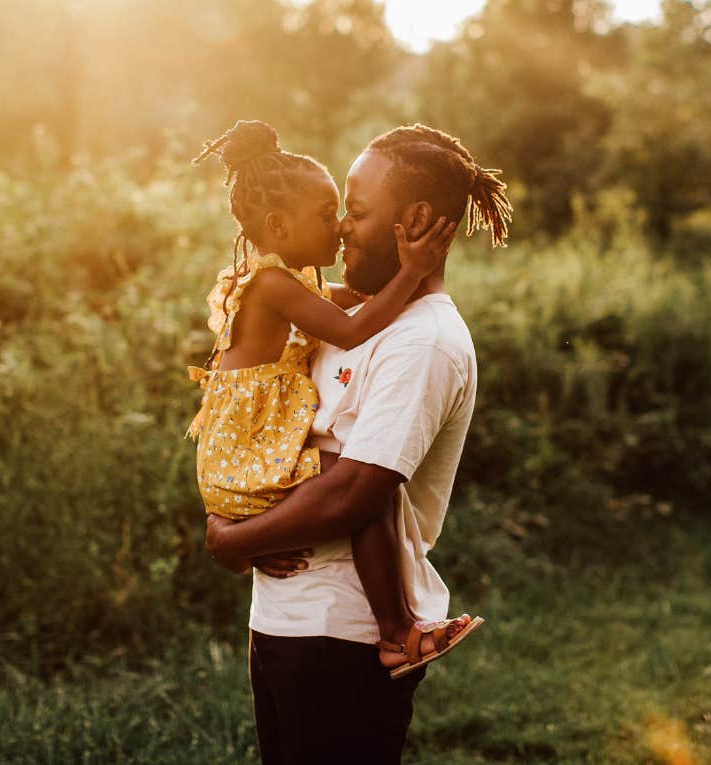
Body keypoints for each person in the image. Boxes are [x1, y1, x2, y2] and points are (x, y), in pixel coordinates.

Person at [204, 123, 513, 762]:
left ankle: (402, 629)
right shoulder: (342, 313)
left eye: (358, 210)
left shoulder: (423, 341)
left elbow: (354, 491)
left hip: (343, 638)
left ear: (418, 219)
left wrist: (231, 540)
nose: (342, 227)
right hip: (283, 622)